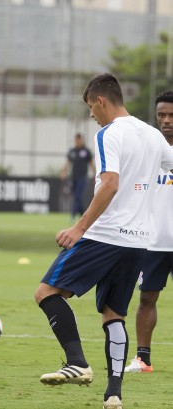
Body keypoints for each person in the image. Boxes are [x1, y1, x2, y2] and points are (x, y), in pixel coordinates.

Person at [34, 74, 173, 409]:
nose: (92, 116)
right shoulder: (154, 136)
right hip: (140, 242)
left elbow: (109, 183)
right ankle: (114, 394)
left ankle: (77, 363)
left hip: (106, 234)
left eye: (91, 108)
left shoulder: (108, 133)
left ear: (100, 101)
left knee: (46, 293)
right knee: (113, 315)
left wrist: (79, 228)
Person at [124, 90, 173, 374]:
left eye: (171, 116)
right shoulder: (148, 151)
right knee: (146, 299)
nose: (166, 121)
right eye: (161, 115)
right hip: (152, 242)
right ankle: (143, 359)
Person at [61, 133, 93, 220]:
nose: (77, 141)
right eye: (76, 140)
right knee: (76, 197)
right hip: (73, 177)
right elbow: (67, 163)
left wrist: (95, 173)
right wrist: (63, 172)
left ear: (82, 140)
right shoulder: (72, 151)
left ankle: (73, 216)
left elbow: (91, 164)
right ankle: (83, 216)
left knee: (77, 196)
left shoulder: (86, 151)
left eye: (79, 139)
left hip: (82, 178)